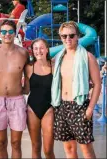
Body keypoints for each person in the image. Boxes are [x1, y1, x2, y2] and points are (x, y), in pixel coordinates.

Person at [51, 21, 101, 158]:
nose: (68, 39)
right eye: (64, 36)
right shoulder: (58, 58)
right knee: (69, 149)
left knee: (86, 149)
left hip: (79, 106)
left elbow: (97, 84)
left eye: (71, 35)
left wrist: (90, 108)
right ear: (60, 37)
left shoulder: (87, 57)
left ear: (78, 36)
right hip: (61, 106)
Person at [0, 20, 29, 158]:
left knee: (16, 142)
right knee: (1, 142)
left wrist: (25, 89)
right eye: (3, 31)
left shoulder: (23, 53)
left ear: (15, 33)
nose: (7, 34)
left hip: (17, 101)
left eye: (10, 31)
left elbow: (28, 75)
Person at [23, 38, 55, 158]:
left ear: (47, 49)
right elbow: (26, 90)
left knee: (48, 150)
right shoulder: (29, 68)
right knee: (35, 147)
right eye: (35, 48)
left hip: (49, 109)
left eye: (41, 48)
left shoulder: (54, 65)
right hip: (32, 109)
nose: (38, 51)